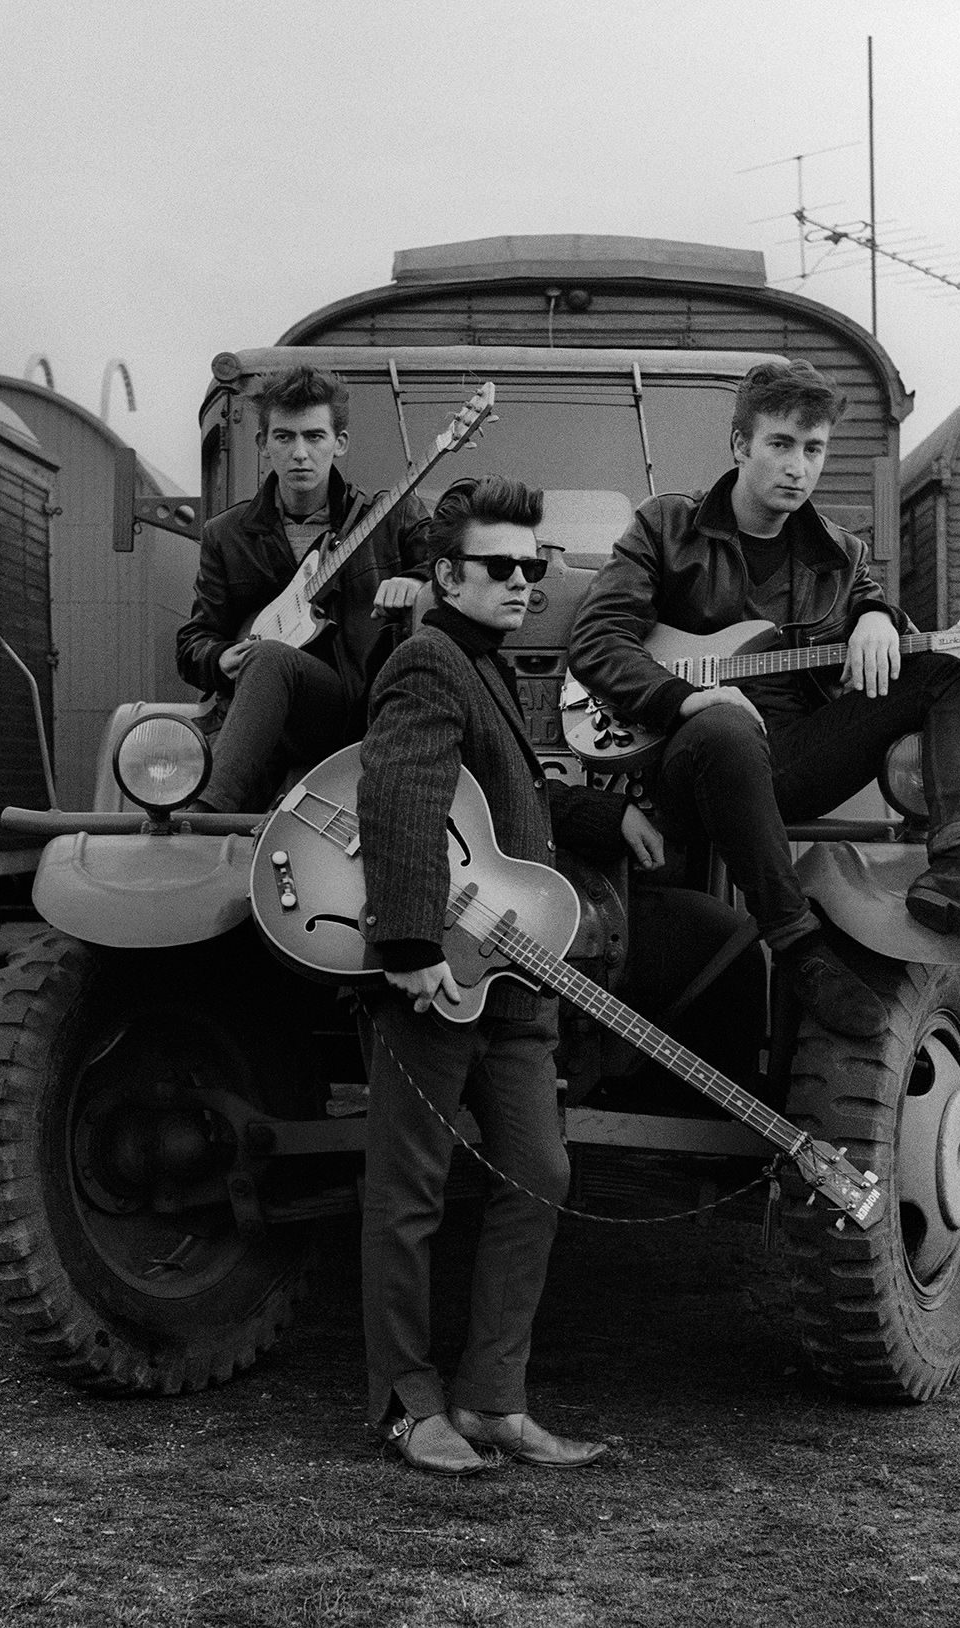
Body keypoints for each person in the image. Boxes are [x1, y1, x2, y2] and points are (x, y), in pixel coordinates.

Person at [567, 359, 960, 1039]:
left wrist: (882, 615)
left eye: (814, 448)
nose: (798, 466)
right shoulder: (667, 527)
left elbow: (883, 625)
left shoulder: (841, 556)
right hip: (683, 766)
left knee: (958, 662)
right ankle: (798, 947)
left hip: (792, 760)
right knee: (727, 728)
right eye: (781, 444)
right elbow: (595, 640)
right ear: (741, 445)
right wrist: (683, 699)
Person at [356, 475, 665, 1476]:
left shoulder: (484, 663)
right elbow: (399, 792)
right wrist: (408, 952)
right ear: (445, 573)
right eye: (500, 565)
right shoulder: (428, 661)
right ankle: (407, 1404)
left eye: (534, 565)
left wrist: (596, 815)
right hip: (442, 970)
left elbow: (500, 804)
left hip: (514, 974)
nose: (524, 581)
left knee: (540, 1169)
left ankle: (494, 1398)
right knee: (408, 1192)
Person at [175, 365, 429, 812]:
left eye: (314, 437)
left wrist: (416, 584)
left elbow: (452, 569)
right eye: (284, 437)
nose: (300, 453)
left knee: (271, 658)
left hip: (357, 713)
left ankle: (204, 812)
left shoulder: (393, 517)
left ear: (340, 443)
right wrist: (220, 658)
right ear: (263, 444)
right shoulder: (225, 534)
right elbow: (193, 642)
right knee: (267, 659)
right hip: (263, 728)